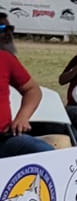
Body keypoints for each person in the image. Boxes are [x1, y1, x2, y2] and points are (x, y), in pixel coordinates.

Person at [0, 21, 57, 157]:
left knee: (44, 152)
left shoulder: (5, 58)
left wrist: (23, 117)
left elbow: (32, 90)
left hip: (4, 138)